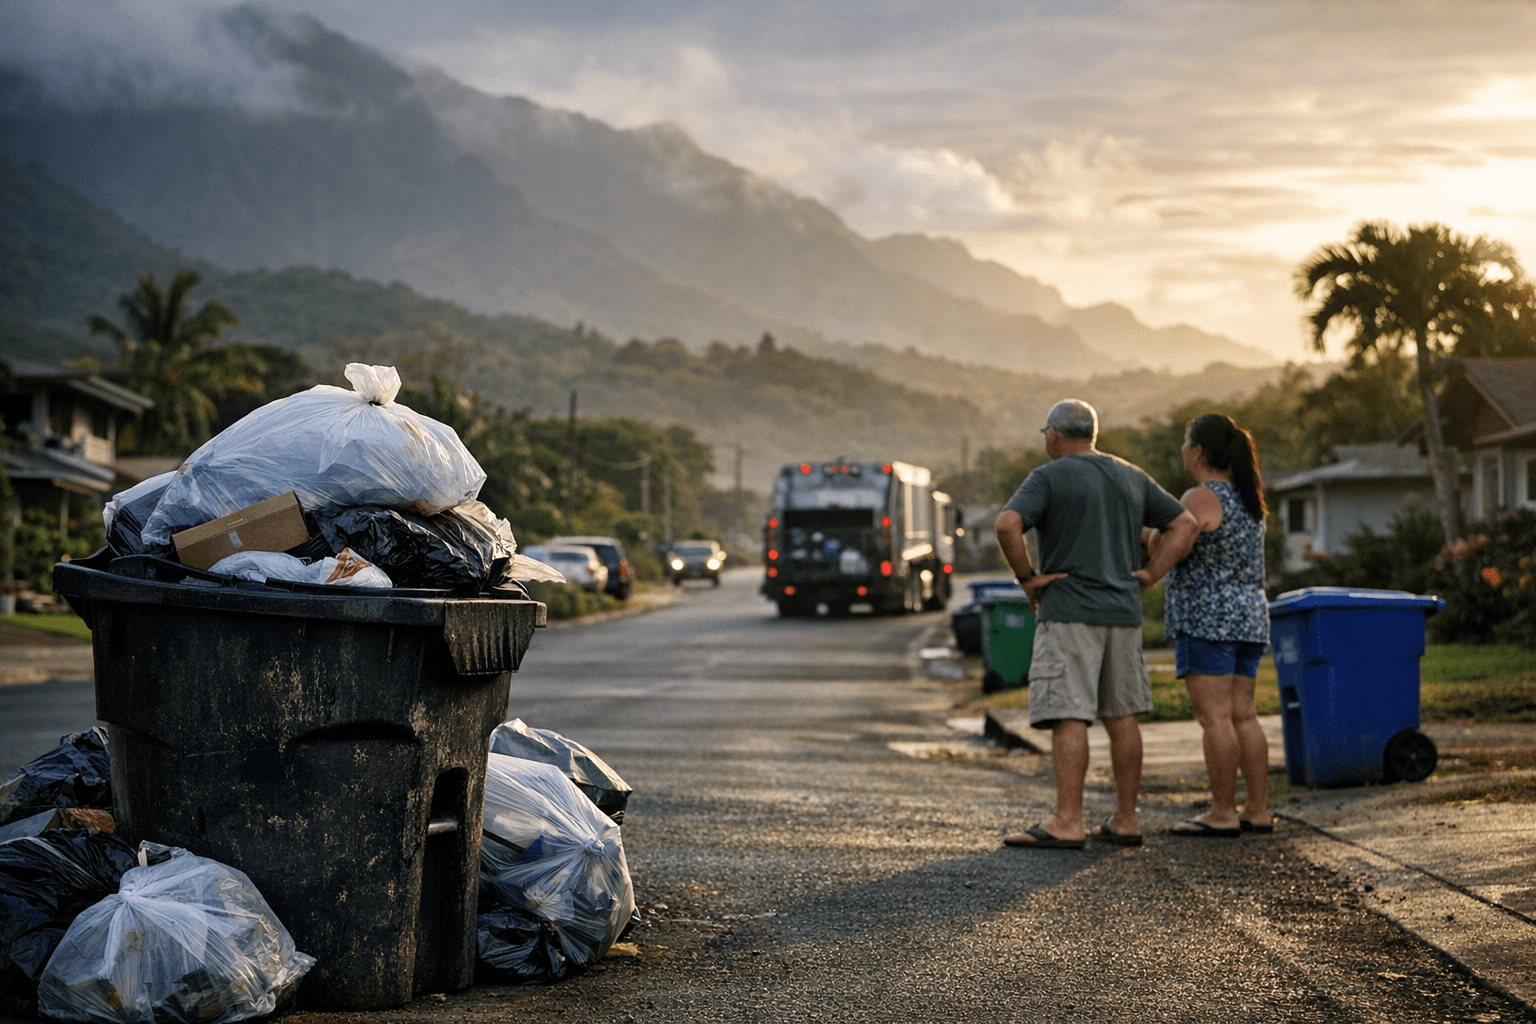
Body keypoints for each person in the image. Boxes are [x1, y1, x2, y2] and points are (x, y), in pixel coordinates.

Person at [994, 399, 1200, 849]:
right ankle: (1126, 819)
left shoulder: (1048, 476)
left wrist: (1028, 580)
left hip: (1069, 612)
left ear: (1054, 435)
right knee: (1121, 716)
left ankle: (1068, 822)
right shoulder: (1131, 474)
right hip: (1122, 615)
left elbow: (1008, 525)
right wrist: (1151, 573)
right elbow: (1185, 524)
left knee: (1069, 714)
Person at [1152, 413, 1274, 838]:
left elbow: (1177, 543)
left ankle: (1222, 811)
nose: (1183, 451)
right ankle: (1257, 810)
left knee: (1216, 718)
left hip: (1208, 619)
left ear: (1197, 451)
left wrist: (1151, 557)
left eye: (1186, 443)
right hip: (1251, 616)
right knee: (1244, 714)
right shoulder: (1249, 497)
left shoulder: (1202, 497)